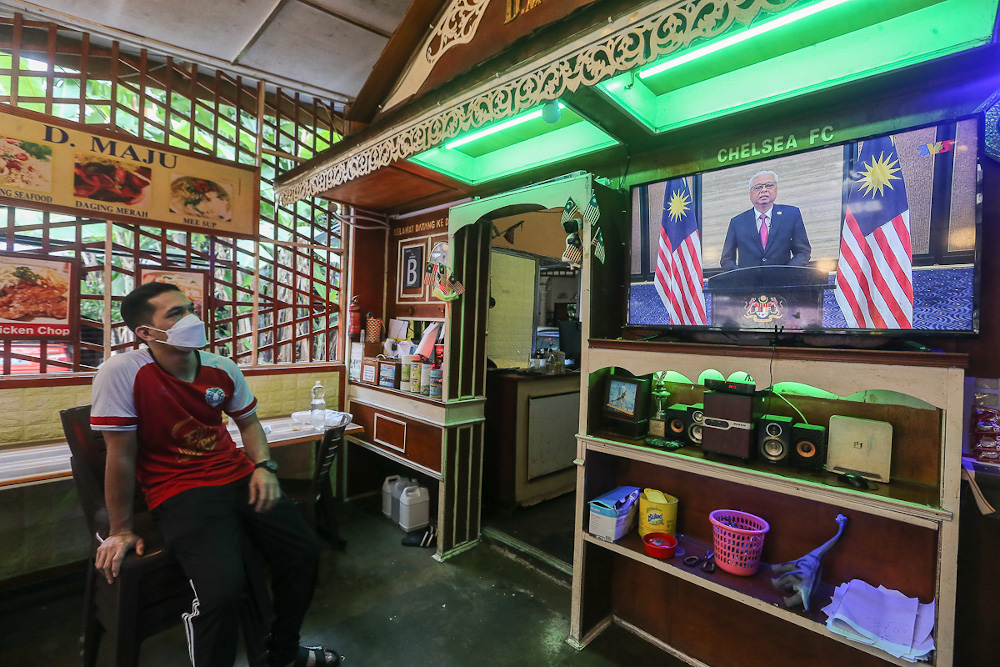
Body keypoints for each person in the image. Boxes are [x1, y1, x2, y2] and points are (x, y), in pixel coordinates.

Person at [90, 282, 338, 667]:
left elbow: (250, 424)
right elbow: (120, 456)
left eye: (190, 308)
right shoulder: (122, 372)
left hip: (238, 477)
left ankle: (283, 653)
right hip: (179, 490)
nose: (191, 318)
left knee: (304, 553)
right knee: (221, 591)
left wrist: (263, 467)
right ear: (145, 333)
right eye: (175, 313)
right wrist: (121, 528)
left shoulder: (222, 368)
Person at [720, 170, 811, 270]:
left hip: (783, 282)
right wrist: (742, 276)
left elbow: (803, 252)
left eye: (769, 185)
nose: (764, 190)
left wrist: (786, 273)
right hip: (748, 283)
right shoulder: (737, 222)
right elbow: (726, 260)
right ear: (750, 193)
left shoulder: (791, 215)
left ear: (776, 188)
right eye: (758, 187)